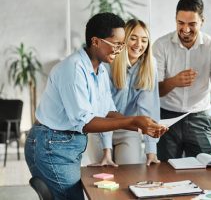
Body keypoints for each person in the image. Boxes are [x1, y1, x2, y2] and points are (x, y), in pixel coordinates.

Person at [24, 13, 168, 200]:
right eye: (116, 44)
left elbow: (108, 111)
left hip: (64, 145)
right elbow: (86, 123)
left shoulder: (98, 69)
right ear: (96, 41)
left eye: (122, 44)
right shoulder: (74, 69)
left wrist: (143, 126)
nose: (120, 49)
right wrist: (134, 120)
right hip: (51, 144)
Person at [153, 0, 211, 161]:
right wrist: (174, 81)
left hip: (199, 117)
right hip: (167, 117)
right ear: (175, 19)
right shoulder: (161, 45)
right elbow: (155, 90)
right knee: (166, 172)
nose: (186, 29)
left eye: (192, 24)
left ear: (202, 21)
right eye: (180, 23)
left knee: (205, 169)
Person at [87, 19, 161, 166]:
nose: (139, 45)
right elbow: (103, 110)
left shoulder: (149, 65)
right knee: (103, 176)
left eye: (144, 40)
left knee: (130, 173)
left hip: (128, 130)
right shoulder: (108, 62)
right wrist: (106, 151)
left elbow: (148, 110)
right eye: (133, 38)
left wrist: (151, 151)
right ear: (123, 40)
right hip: (100, 130)